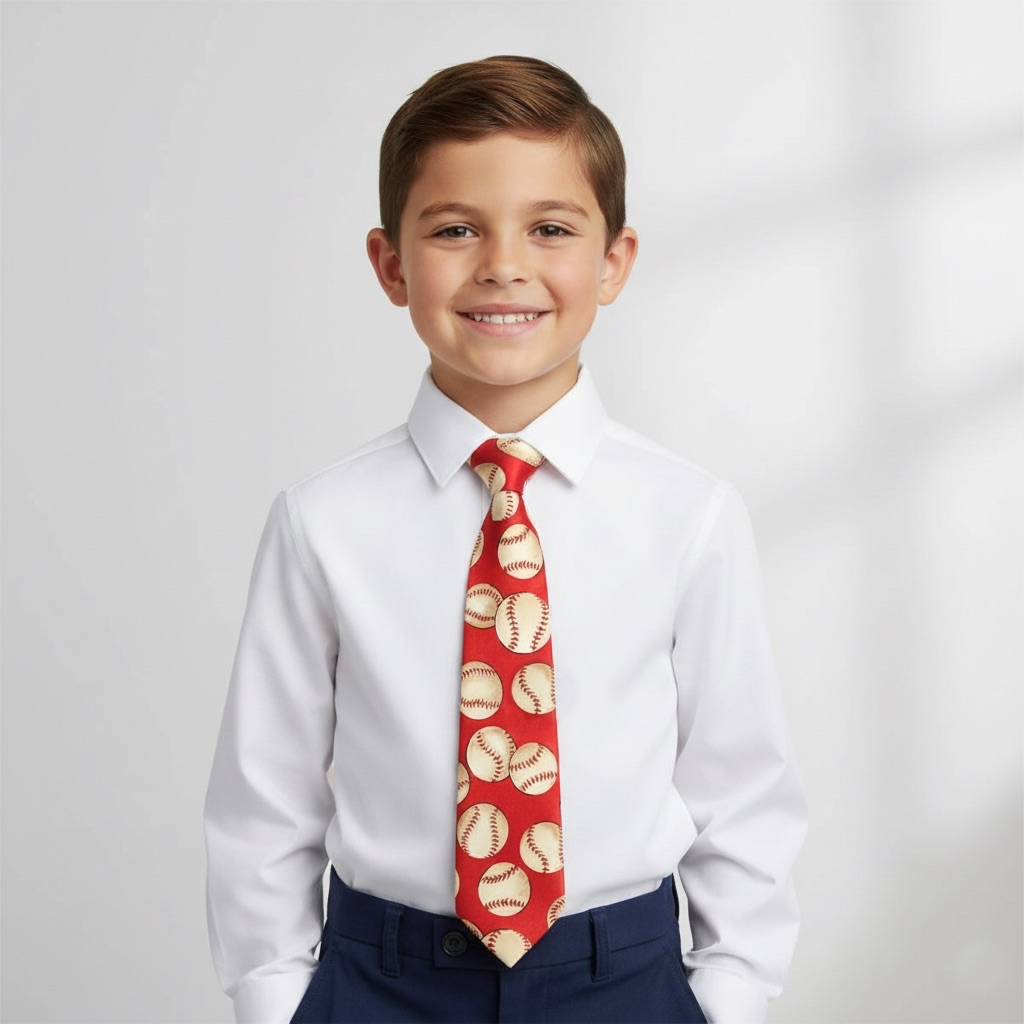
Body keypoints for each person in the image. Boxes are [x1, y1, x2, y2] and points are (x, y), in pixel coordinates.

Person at [204, 55, 807, 1024]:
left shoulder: (687, 511)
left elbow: (739, 781)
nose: (503, 264)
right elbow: (265, 794)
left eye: (551, 228)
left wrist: (727, 996)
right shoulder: (323, 519)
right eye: (454, 229)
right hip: (380, 981)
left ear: (613, 261)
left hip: (623, 980)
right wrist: (278, 1001)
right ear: (390, 263)